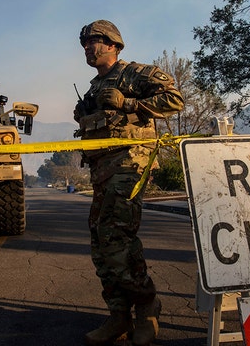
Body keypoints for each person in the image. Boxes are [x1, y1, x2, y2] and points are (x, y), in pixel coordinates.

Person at [74, 20, 185, 346]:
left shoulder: (135, 73)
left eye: (94, 42)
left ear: (113, 44)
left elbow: (175, 99)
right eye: (84, 44)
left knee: (117, 235)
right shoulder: (95, 88)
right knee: (100, 240)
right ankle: (118, 315)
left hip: (130, 164)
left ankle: (147, 307)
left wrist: (128, 103)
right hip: (100, 171)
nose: (88, 48)